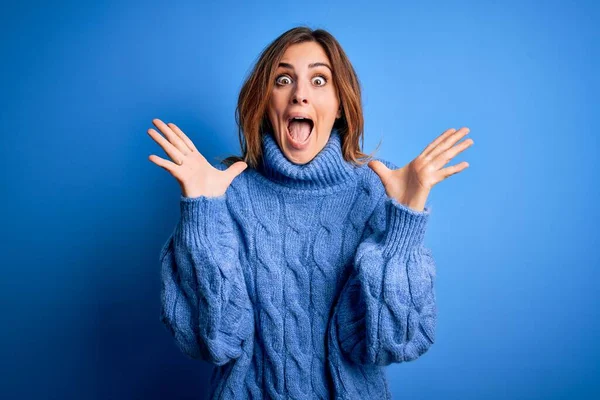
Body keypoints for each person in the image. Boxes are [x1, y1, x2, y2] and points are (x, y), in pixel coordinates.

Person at [148, 26, 473, 399]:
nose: (300, 94)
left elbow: (391, 342)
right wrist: (201, 214)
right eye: (283, 79)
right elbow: (215, 342)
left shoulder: (376, 192)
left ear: (339, 106)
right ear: (264, 102)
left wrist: (404, 222)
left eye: (319, 80)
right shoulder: (224, 192)